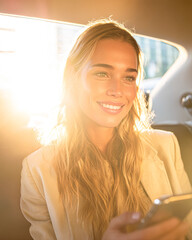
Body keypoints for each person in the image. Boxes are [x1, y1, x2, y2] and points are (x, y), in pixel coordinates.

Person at [20, 19, 192, 240]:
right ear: (73, 79)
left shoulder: (167, 146)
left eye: (129, 77)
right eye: (102, 74)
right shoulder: (37, 171)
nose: (117, 90)